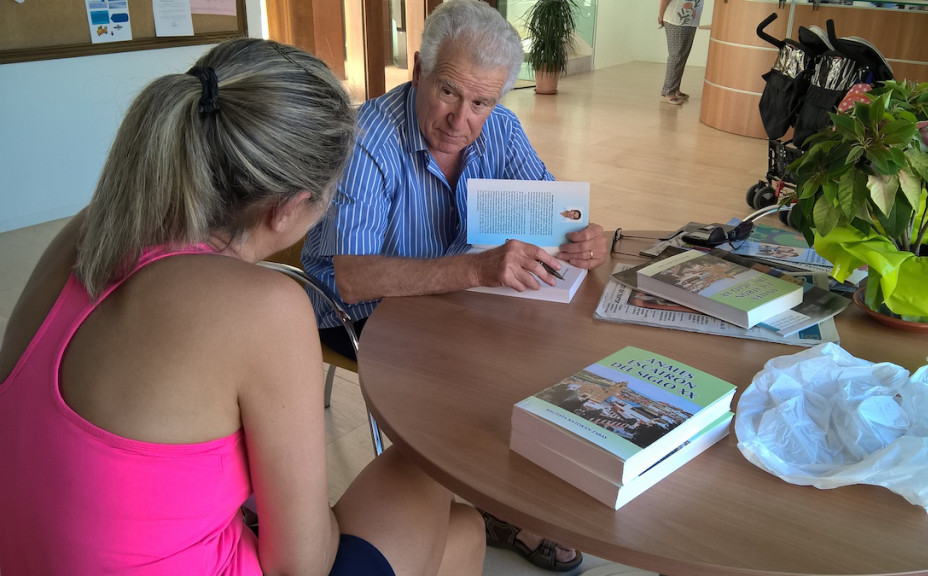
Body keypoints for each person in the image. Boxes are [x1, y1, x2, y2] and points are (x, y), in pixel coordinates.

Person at [0, 38, 484, 576]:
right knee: (429, 472)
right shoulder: (263, 310)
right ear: (288, 209)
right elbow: (301, 564)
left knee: (463, 533)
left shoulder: (94, 228)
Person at [301, 0, 606, 571]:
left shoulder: (501, 130)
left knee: (546, 341)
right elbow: (353, 276)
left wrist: (586, 236)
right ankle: (502, 506)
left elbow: (550, 216)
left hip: (450, 295)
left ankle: (509, 492)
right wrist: (478, 269)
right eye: (447, 91)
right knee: (475, 368)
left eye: (482, 102)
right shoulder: (366, 140)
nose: (461, 120)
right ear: (418, 69)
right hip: (354, 308)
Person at [658, 0, 704, 105]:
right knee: (676, 55)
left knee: (682, 56)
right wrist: (660, 16)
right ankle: (668, 91)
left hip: (691, 20)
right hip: (676, 19)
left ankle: (675, 89)